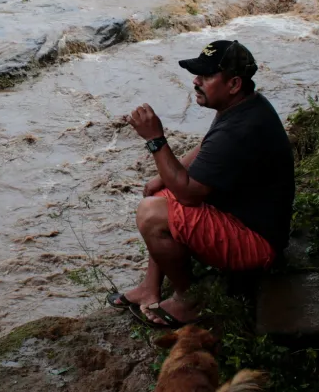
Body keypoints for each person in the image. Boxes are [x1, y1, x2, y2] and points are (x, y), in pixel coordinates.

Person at [107, 40, 295, 327]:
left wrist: (155, 140)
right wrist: (161, 178)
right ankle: (149, 287)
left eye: (206, 76)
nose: (196, 81)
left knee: (152, 214)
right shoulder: (243, 106)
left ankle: (189, 301)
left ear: (234, 84)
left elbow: (189, 195)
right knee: (160, 191)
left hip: (258, 244)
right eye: (198, 74)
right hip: (241, 216)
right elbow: (207, 148)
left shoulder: (241, 129)